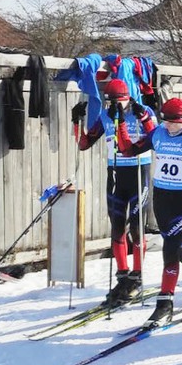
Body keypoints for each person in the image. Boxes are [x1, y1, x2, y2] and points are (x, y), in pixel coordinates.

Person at [116, 97, 182, 325]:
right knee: (180, 248)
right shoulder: (159, 133)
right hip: (163, 200)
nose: (169, 127)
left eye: (174, 123)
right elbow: (127, 151)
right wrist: (121, 123)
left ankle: (165, 303)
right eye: (166, 122)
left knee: (170, 248)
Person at [72, 78, 156, 307]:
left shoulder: (142, 110)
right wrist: (77, 122)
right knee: (117, 226)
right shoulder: (105, 115)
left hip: (139, 171)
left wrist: (144, 118)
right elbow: (84, 143)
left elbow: (157, 137)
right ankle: (122, 275)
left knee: (138, 227)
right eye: (111, 101)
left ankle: (137, 276)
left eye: (120, 101)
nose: (116, 106)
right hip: (116, 173)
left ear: (128, 97)